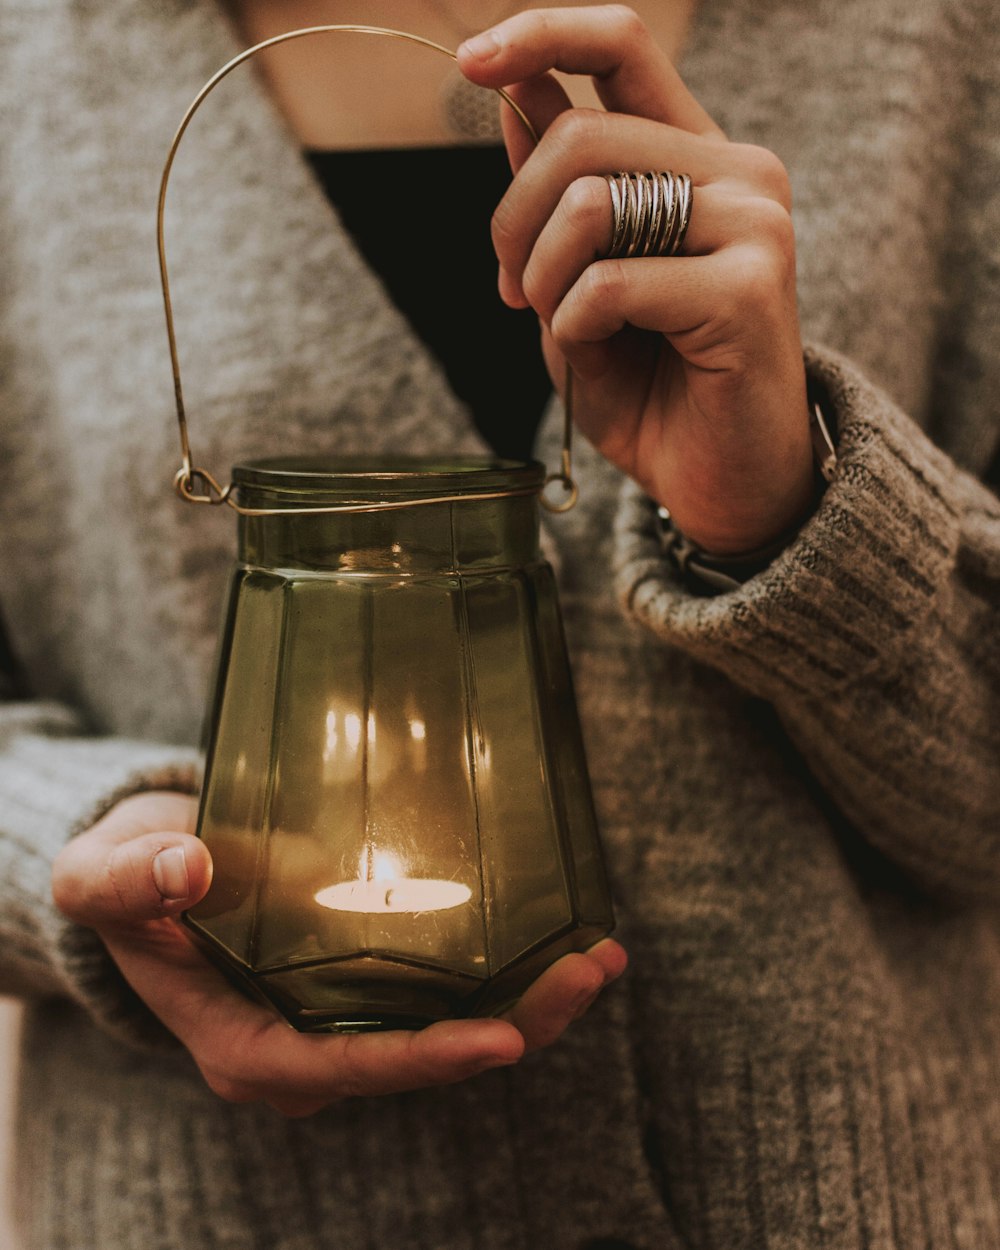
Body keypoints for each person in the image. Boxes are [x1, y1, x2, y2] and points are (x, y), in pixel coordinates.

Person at [1, 2, 998, 1248]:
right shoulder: (31, 55)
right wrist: (84, 837)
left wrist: (787, 505)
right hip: (228, 1208)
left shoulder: (934, 37)